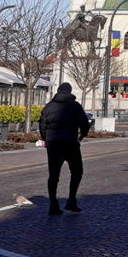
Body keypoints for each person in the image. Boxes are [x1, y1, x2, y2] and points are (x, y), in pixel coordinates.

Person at [37, 82, 92, 215]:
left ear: (58, 90)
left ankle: (53, 205)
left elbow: (42, 126)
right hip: (70, 143)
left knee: (53, 175)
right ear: (70, 91)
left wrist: (47, 139)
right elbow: (84, 123)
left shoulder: (48, 107)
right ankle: (71, 200)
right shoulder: (75, 106)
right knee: (77, 171)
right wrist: (82, 136)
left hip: (53, 144)